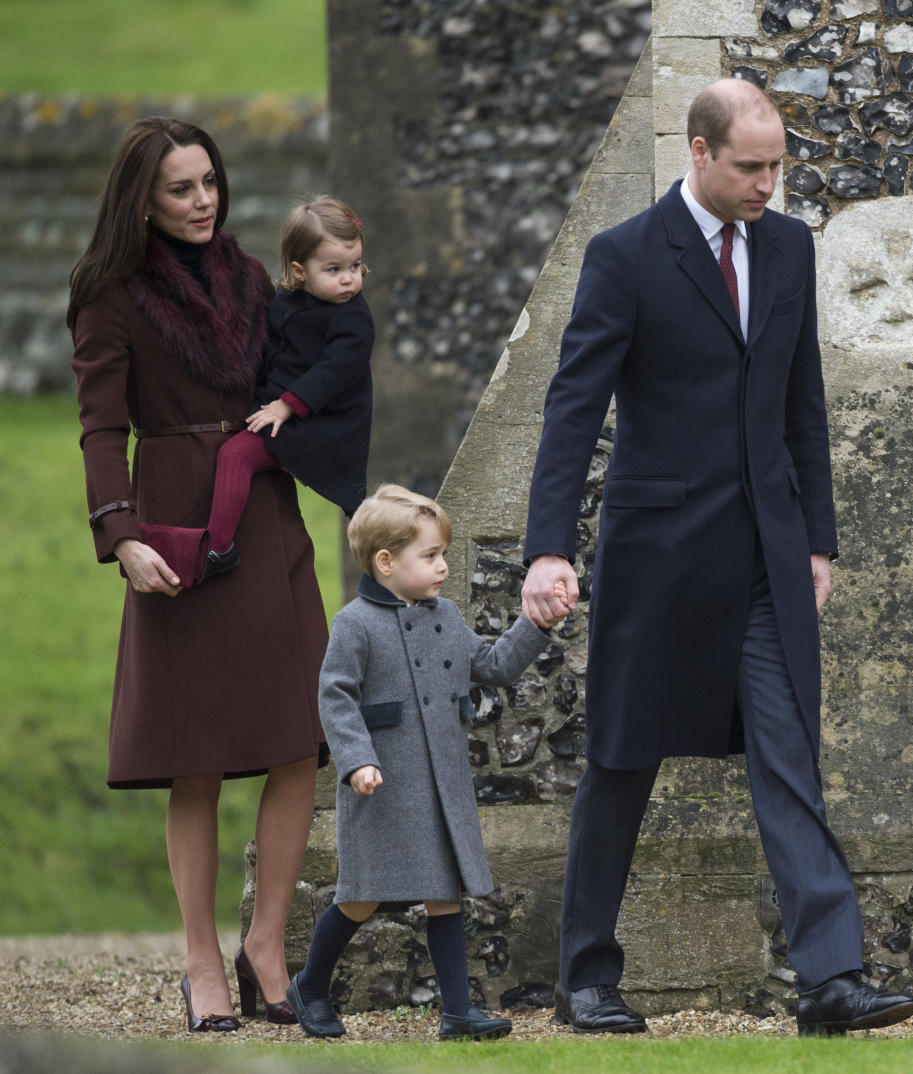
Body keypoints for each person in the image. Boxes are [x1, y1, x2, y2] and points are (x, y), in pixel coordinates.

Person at [520, 79, 913, 1037]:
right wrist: (546, 549)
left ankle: (828, 979)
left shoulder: (789, 246)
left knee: (790, 758)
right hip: (655, 555)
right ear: (697, 153)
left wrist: (816, 537)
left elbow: (802, 402)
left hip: (766, 559)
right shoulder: (623, 257)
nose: (768, 185)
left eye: (777, 164)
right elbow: (573, 409)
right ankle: (585, 979)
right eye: (750, 166)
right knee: (621, 757)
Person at [68, 117, 331, 1032]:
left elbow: (308, 369)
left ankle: (264, 946)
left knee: (301, 735)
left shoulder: (252, 277)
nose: (202, 200)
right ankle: (198, 964)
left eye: (209, 182)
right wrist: (121, 532)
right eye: (181, 189)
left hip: (265, 511)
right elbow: (102, 426)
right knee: (198, 759)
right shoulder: (109, 295)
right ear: (142, 199)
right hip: (177, 523)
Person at [285, 485, 559, 1041]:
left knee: (444, 893)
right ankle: (310, 986)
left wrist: (538, 622)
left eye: (443, 554)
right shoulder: (354, 624)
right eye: (430, 556)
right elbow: (334, 697)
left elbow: (495, 664)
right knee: (361, 896)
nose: (442, 566)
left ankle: (458, 1012)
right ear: (386, 562)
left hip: (441, 786)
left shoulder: (448, 616)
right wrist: (357, 760)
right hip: (380, 785)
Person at [150, 195, 375, 584]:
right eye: (334, 268)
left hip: (322, 424)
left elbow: (333, 372)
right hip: (281, 409)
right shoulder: (287, 301)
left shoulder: (354, 320)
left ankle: (218, 548)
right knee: (228, 451)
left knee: (237, 457)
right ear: (300, 271)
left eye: (355, 266)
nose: (348, 278)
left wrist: (286, 406)